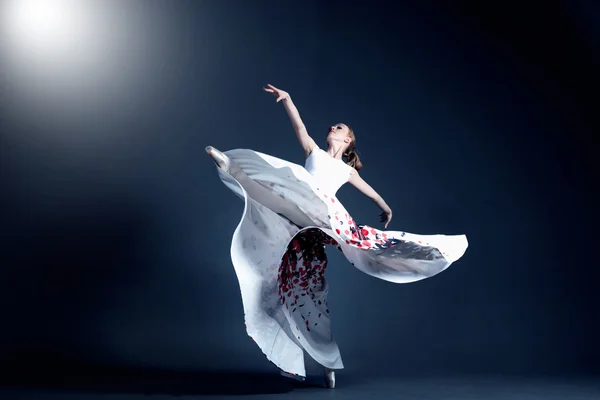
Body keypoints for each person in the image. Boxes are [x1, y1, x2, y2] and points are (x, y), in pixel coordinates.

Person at [206, 84, 468, 389]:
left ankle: (328, 364)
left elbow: (372, 193)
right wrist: (288, 100)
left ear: (347, 140)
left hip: (325, 220)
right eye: (333, 125)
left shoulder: (347, 171)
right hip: (297, 221)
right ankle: (232, 168)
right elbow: (299, 126)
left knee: (322, 287)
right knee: (297, 292)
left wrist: (385, 209)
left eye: (339, 127)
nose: (332, 127)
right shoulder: (313, 152)